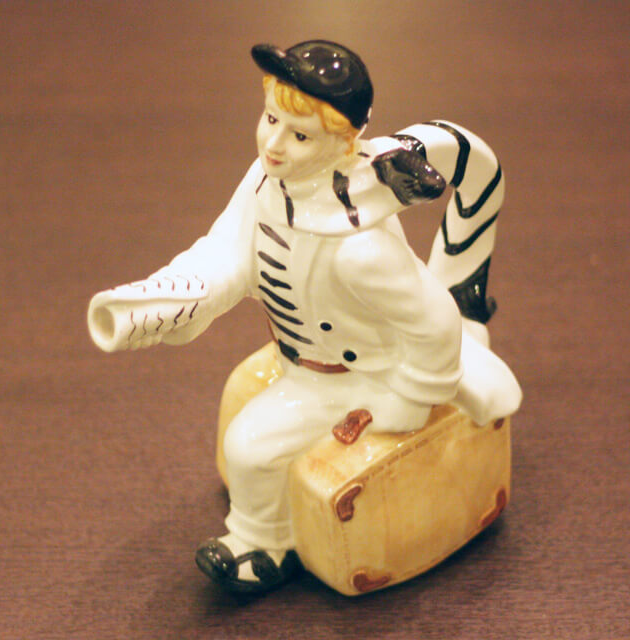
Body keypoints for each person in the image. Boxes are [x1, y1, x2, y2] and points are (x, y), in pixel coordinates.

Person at [87, 40, 522, 594]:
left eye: (300, 135)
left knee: (248, 445)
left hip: (361, 376)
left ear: (344, 142)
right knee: (244, 420)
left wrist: (409, 401)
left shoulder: (358, 248)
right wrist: (163, 302)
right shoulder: (266, 183)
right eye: (271, 119)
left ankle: (262, 545)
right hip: (303, 362)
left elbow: (436, 320)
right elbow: (227, 253)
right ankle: (270, 521)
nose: (273, 143)